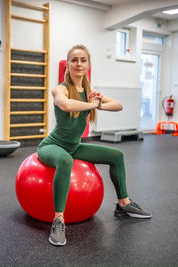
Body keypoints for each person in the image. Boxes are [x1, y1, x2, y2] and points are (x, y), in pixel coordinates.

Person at [37, 44, 152, 247]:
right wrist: (94, 104)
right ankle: (59, 219)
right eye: (74, 60)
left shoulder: (90, 91)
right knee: (65, 160)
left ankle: (123, 204)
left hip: (74, 145)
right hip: (52, 146)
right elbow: (66, 104)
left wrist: (99, 102)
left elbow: (118, 105)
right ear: (68, 64)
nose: (78, 64)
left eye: (83, 60)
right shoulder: (60, 89)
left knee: (116, 155)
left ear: (88, 64)